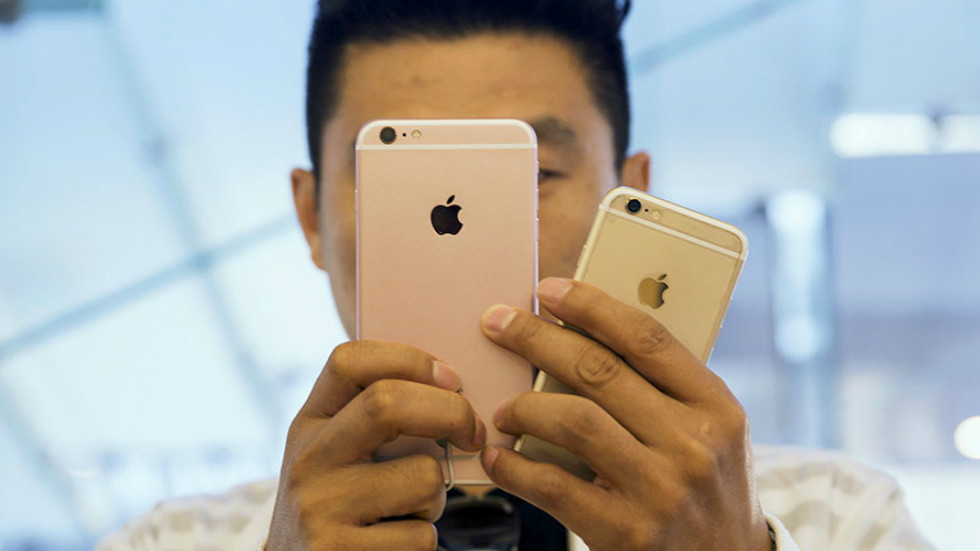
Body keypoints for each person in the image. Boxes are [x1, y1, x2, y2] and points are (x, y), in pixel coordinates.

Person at [97, 1, 935, 550]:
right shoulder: (171, 540)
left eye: (530, 171)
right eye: (403, 176)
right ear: (312, 216)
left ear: (628, 195)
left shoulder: (837, 514)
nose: (471, 225)